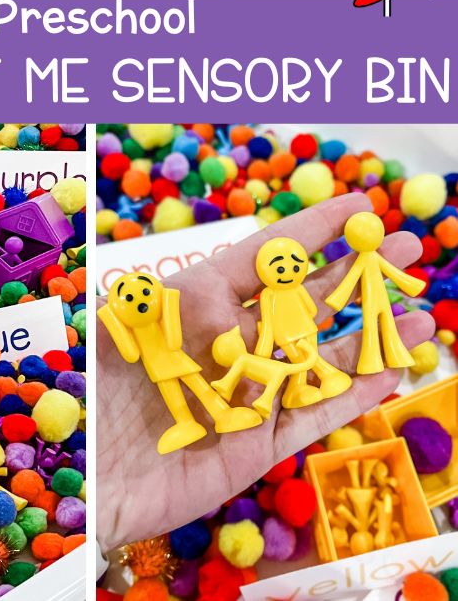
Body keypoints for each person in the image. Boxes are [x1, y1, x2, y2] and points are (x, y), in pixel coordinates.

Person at [96, 193, 434, 552]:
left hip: (297, 336)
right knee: (213, 384)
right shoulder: (267, 299)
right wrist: (114, 322)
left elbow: (308, 308)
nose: (287, 269)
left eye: (291, 263)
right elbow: (268, 326)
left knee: (295, 365)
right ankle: (219, 412)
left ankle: (254, 401)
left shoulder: (272, 295)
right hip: (186, 360)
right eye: (279, 263)